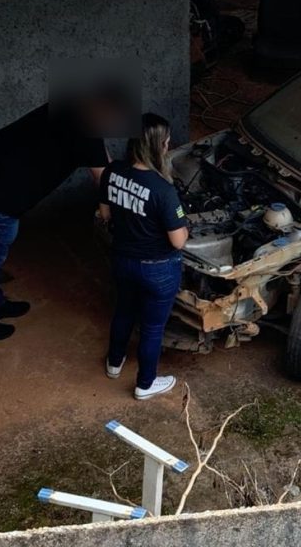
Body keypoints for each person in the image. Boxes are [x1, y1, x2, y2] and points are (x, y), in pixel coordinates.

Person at [0, 102, 111, 341]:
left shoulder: (71, 106)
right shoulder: (88, 128)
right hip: (2, 196)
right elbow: (106, 185)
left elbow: (104, 160)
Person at [99, 113, 188, 400]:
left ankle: (114, 363)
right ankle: (145, 384)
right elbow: (178, 241)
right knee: (152, 328)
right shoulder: (164, 190)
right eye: (167, 141)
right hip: (158, 270)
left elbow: (105, 214)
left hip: (122, 260)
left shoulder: (112, 173)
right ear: (160, 146)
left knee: (123, 310)